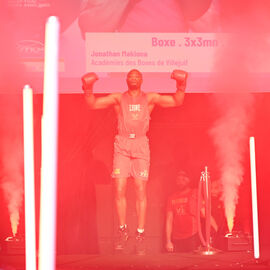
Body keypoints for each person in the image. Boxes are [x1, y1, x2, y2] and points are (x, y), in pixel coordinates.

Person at [81, 69, 187, 255]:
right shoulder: (117, 99)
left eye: (137, 76)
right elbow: (92, 104)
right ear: (126, 80)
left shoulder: (150, 98)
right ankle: (123, 230)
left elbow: (178, 101)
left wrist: (181, 85)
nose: (134, 78)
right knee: (120, 188)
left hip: (140, 145)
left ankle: (140, 233)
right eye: (131, 76)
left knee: (140, 189)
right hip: (122, 144)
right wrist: (88, 88)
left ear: (142, 80)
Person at [165, 169, 219, 253]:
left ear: (188, 180)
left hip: (192, 237)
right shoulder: (171, 198)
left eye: (183, 179)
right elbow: (169, 220)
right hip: (176, 238)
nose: (181, 181)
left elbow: (205, 213)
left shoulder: (195, 193)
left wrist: (216, 229)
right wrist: (168, 241)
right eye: (179, 179)